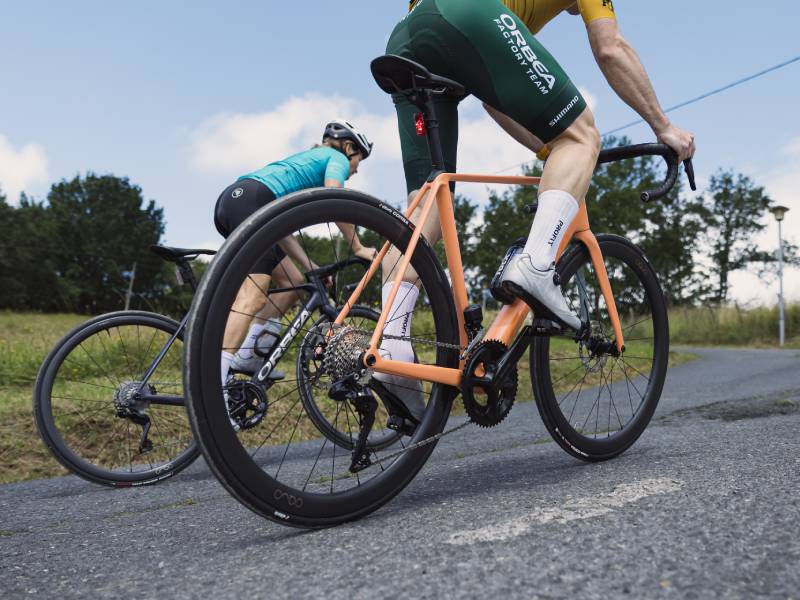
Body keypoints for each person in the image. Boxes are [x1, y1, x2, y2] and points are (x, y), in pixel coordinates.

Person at [380, 0, 696, 413]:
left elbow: (497, 96)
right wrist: (663, 127)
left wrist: (551, 151)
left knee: (425, 205)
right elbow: (610, 48)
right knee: (583, 137)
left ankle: (391, 349)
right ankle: (536, 266)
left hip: (408, 34)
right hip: (468, 13)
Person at [215, 119, 377, 388]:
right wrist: (357, 247)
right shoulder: (335, 156)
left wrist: (310, 266)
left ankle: (246, 357)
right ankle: (215, 381)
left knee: (292, 282)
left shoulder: (309, 160)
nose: (357, 169)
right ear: (349, 147)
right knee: (253, 296)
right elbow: (335, 195)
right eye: (359, 159)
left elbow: (281, 232)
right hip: (251, 202)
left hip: (239, 201)